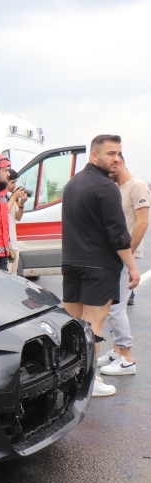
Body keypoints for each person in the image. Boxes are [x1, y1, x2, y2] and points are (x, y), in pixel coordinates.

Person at [61, 134, 140, 397]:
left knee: (72, 324)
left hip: (72, 262)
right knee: (93, 324)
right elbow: (118, 234)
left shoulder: (72, 184)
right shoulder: (105, 187)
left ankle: (68, 378)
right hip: (99, 266)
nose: (116, 158)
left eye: (119, 153)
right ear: (94, 155)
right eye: (110, 154)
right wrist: (132, 266)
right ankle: (89, 382)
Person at [97, 153, 149, 377]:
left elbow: (143, 222)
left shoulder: (137, 186)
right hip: (115, 255)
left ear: (120, 163)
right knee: (111, 306)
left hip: (127, 255)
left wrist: (126, 255)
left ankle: (127, 360)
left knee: (117, 308)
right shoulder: (115, 188)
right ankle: (117, 352)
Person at [4, 169, 28, 274]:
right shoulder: (0, 197)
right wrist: (14, 197)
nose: (15, 185)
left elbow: (17, 217)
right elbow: (3, 213)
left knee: (13, 276)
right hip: (6, 244)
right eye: (12, 182)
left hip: (14, 243)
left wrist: (22, 203)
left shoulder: (10, 196)